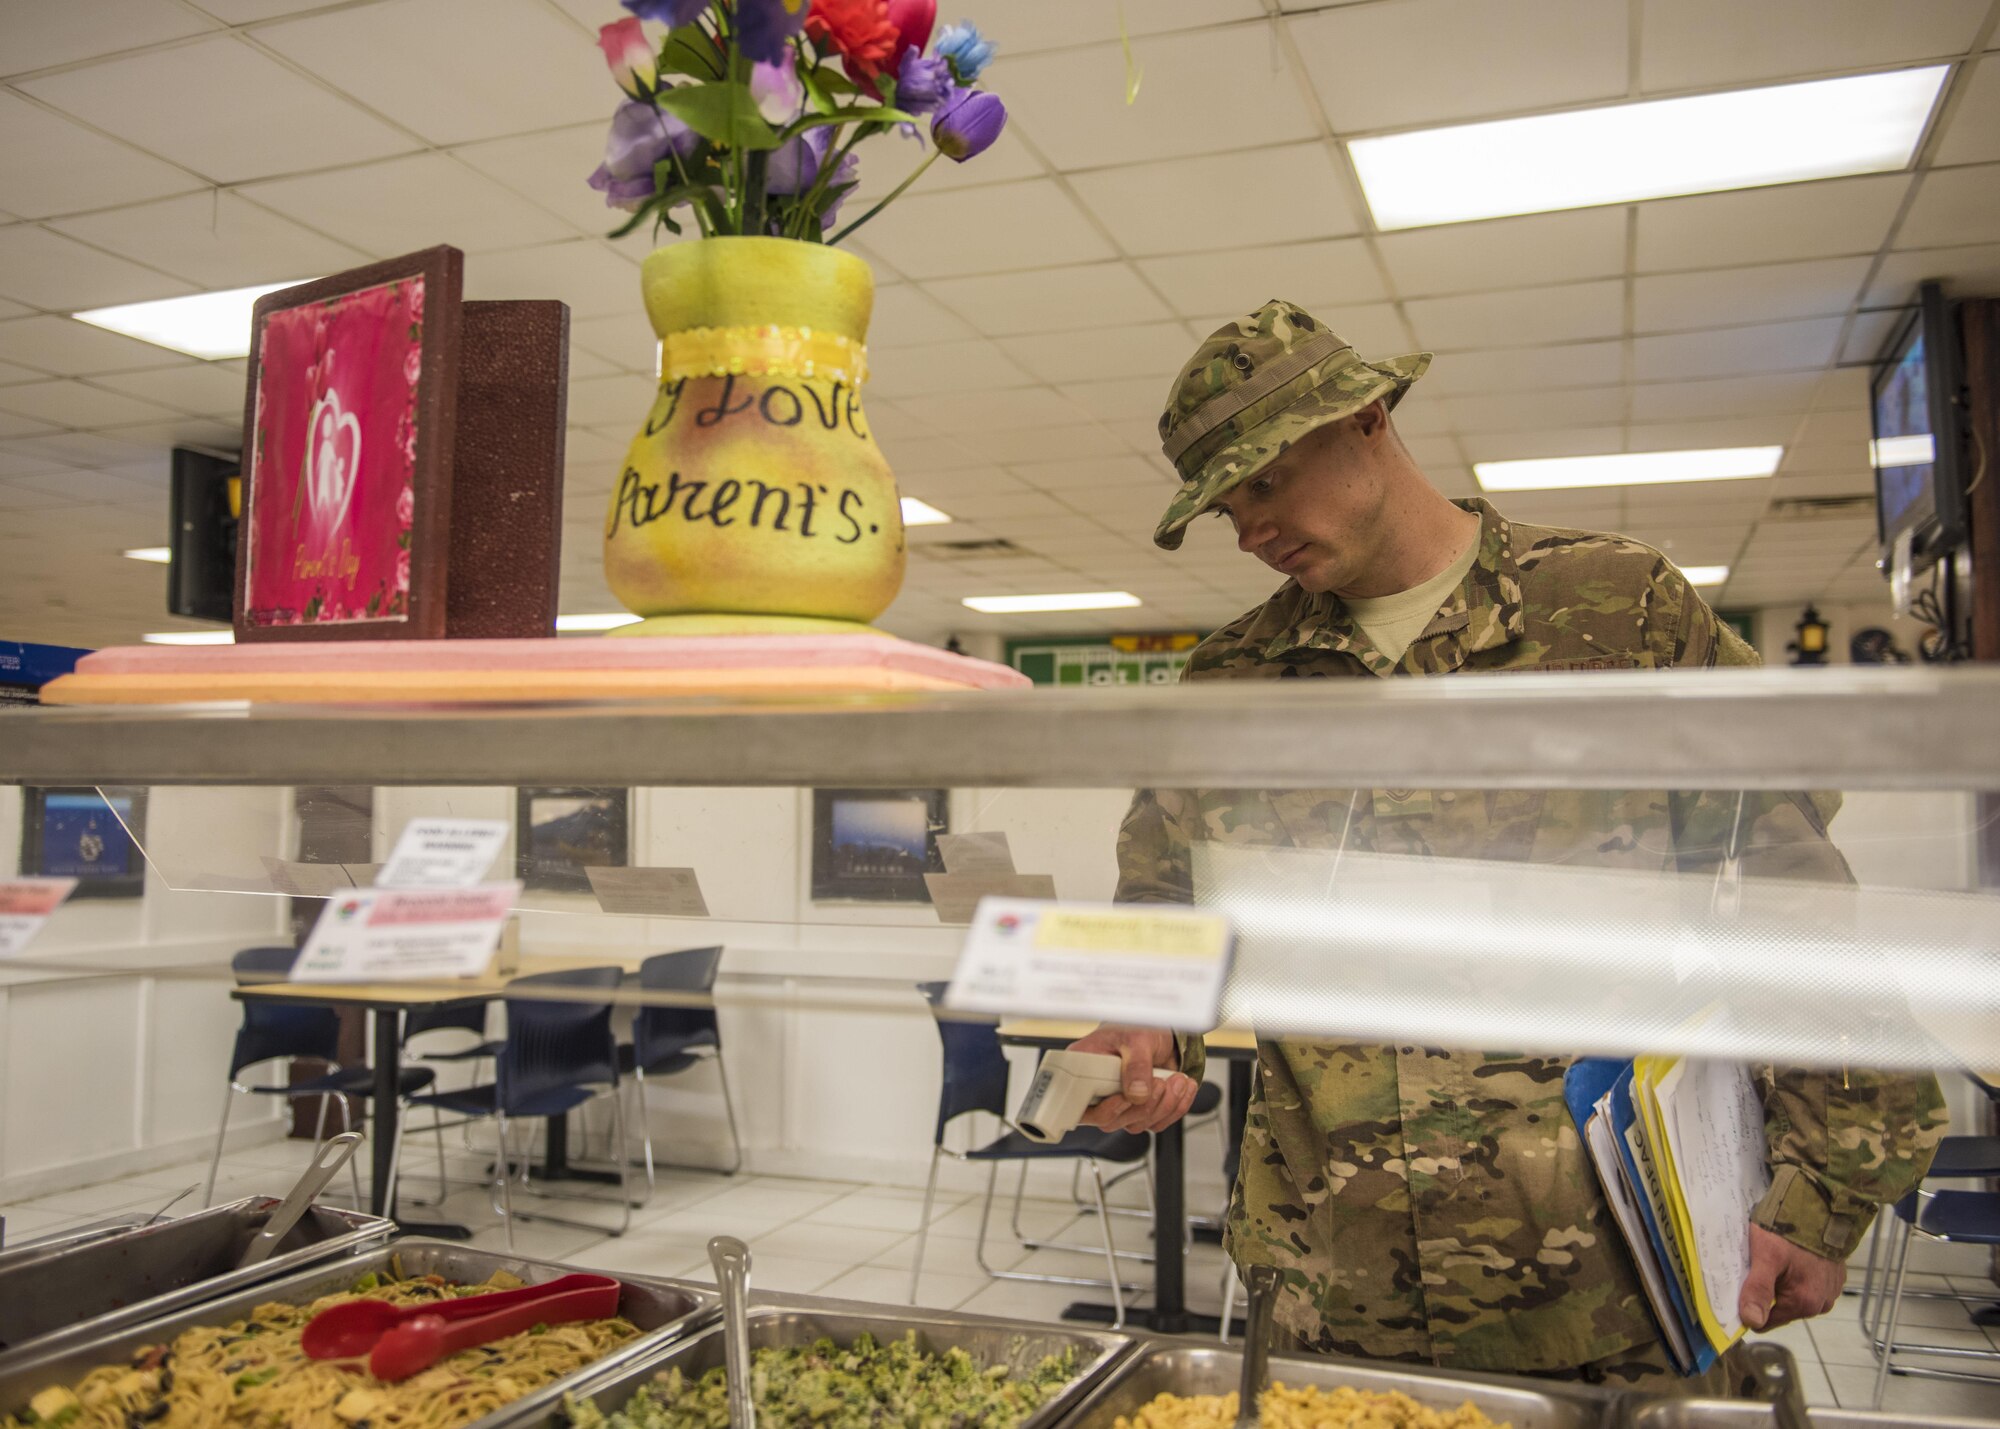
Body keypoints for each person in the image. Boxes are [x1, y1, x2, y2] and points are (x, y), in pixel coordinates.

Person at [1072, 300, 1946, 1390]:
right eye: (1221, 509)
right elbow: (1163, 913)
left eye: (1261, 480)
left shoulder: (1616, 613)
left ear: (1368, 419)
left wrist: (1821, 1189)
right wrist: (1142, 1028)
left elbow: (1788, 902)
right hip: (1324, 1279)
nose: (1249, 530)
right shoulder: (1229, 684)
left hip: (1607, 1275)